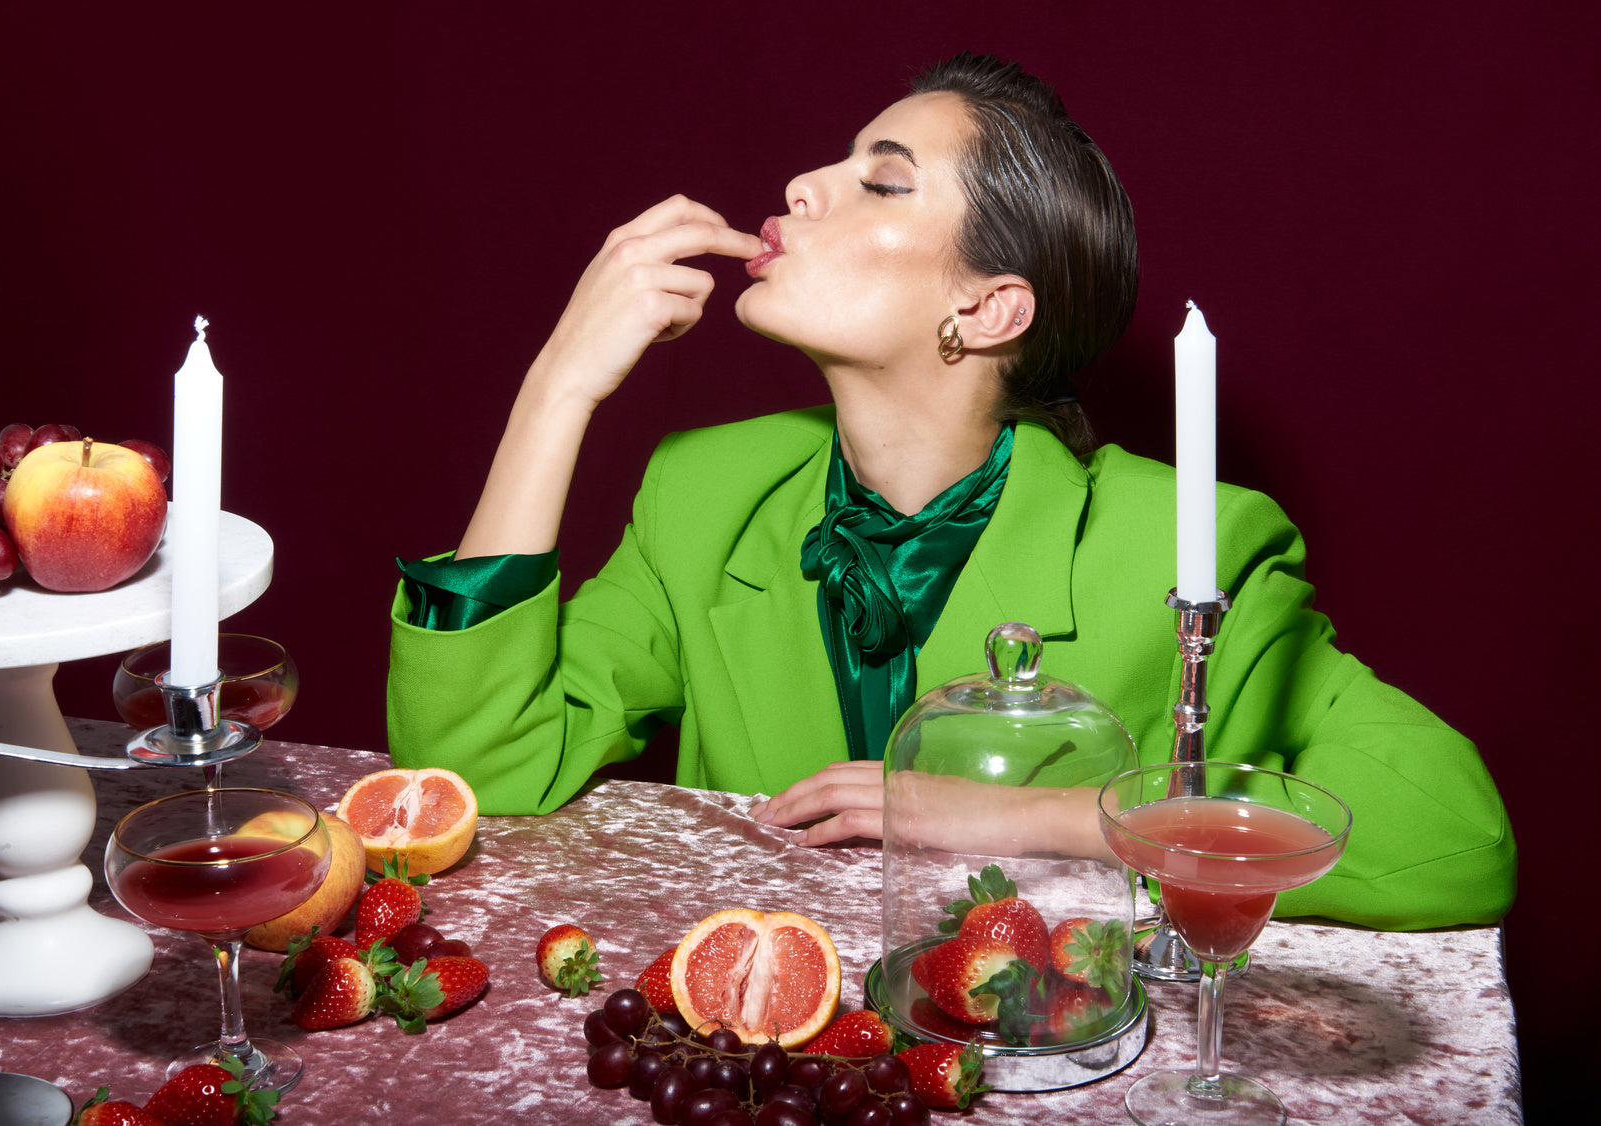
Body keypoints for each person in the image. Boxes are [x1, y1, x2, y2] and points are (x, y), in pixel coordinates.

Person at [387, 54, 1514, 930]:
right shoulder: (704, 491)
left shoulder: (1190, 544)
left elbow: (1458, 839)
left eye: (882, 178)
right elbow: (481, 769)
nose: (802, 187)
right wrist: (557, 388)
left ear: (986, 310)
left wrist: (1044, 819)